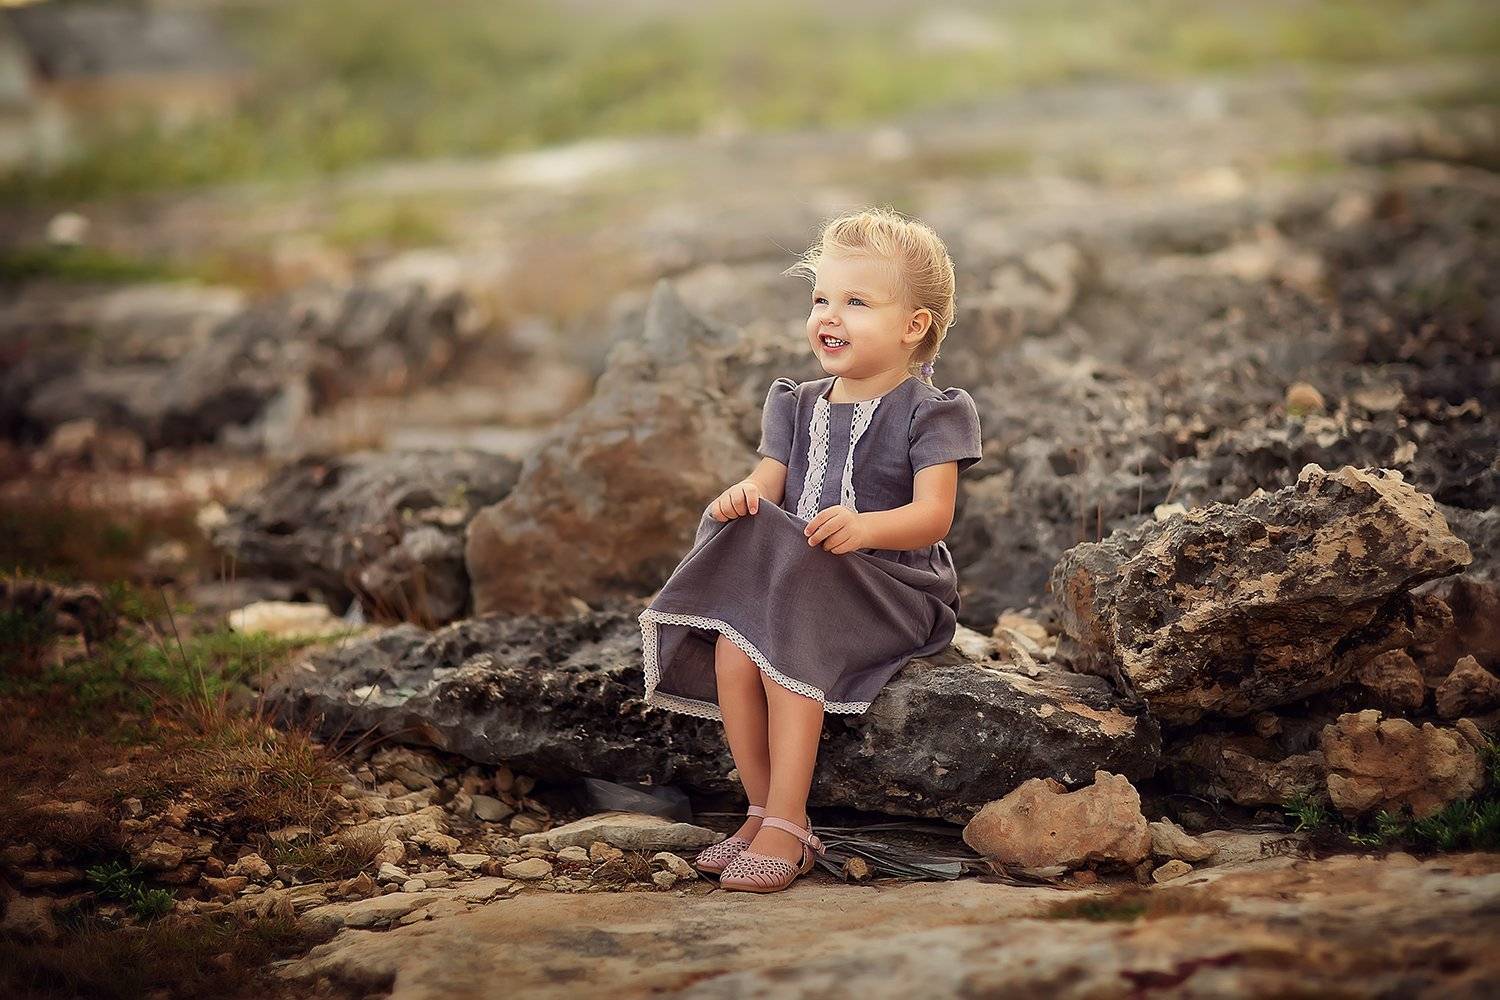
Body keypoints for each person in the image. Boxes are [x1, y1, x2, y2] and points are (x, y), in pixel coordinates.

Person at [637, 206, 983, 893]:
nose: (829, 314)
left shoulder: (931, 411)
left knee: (784, 631)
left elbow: (933, 517)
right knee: (737, 650)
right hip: (803, 579)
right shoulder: (795, 404)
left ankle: (791, 824)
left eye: (856, 301)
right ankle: (761, 808)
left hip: (890, 585)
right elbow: (769, 482)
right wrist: (742, 496)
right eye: (821, 298)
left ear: (914, 325)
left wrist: (867, 528)